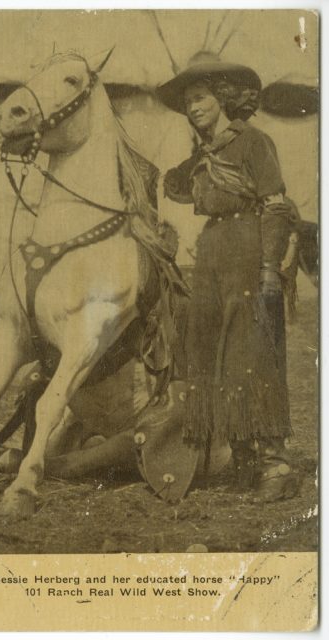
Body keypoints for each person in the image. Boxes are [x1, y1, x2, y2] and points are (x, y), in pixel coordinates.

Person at [157, 51, 299, 502]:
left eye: (200, 97)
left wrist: (269, 267)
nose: (193, 107)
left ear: (222, 96)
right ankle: (243, 458)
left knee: (250, 352)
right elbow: (174, 188)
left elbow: (275, 204)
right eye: (187, 103)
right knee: (211, 353)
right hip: (213, 255)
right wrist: (199, 151)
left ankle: (276, 464)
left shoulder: (255, 142)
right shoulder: (202, 154)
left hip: (247, 247)